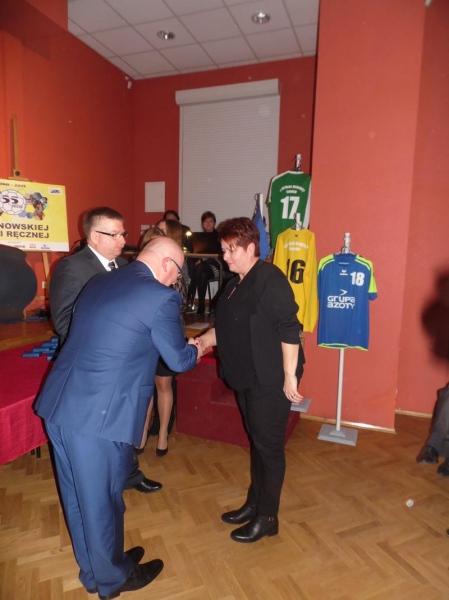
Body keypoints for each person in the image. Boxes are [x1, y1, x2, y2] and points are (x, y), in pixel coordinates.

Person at [35, 237, 203, 598]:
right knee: (103, 502)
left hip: (59, 406)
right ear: (167, 265)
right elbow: (178, 360)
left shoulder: (101, 280)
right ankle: (112, 580)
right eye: (177, 274)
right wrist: (201, 345)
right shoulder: (160, 297)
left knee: (78, 497)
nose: (175, 281)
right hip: (98, 420)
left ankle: (95, 570)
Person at [196, 217, 305, 543]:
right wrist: (202, 341)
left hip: (271, 377)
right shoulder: (234, 285)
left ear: (251, 248)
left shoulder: (269, 279)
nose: (225, 256)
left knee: (268, 448)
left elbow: (290, 328)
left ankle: (267, 517)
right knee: (257, 442)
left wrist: (290, 377)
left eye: (231, 250)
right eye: (223, 249)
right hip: (246, 375)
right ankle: (254, 503)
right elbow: (225, 328)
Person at [49, 206, 161, 495]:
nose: (123, 240)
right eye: (115, 234)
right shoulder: (71, 267)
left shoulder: (124, 266)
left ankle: (129, 474)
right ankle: (105, 485)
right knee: (99, 436)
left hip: (124, 367)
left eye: (123, 233)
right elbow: (63, 322)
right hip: (90, 371)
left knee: (123, 426)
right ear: (93, 236)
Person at [140, 220, 188, 456]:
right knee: (145, 386)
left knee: (164, 384)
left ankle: (162, 436)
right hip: (144, 335)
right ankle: (141, 435)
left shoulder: (176, 271)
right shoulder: (139, 271)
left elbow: (180, 305)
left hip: (167, 333)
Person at [187, 211, 222, 315]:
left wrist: (203, 261)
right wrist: (197, 260)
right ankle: (201, 305)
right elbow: (192, 253)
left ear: (214, 223)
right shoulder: (196, 237)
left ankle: (190, 295)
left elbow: (220, 256)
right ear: (202, 224)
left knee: (200, 268)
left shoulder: (219, 237)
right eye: (205, 221)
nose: (208, 224)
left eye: (211, 221)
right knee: (202, 273)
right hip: (201, 268)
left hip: (215, 267)